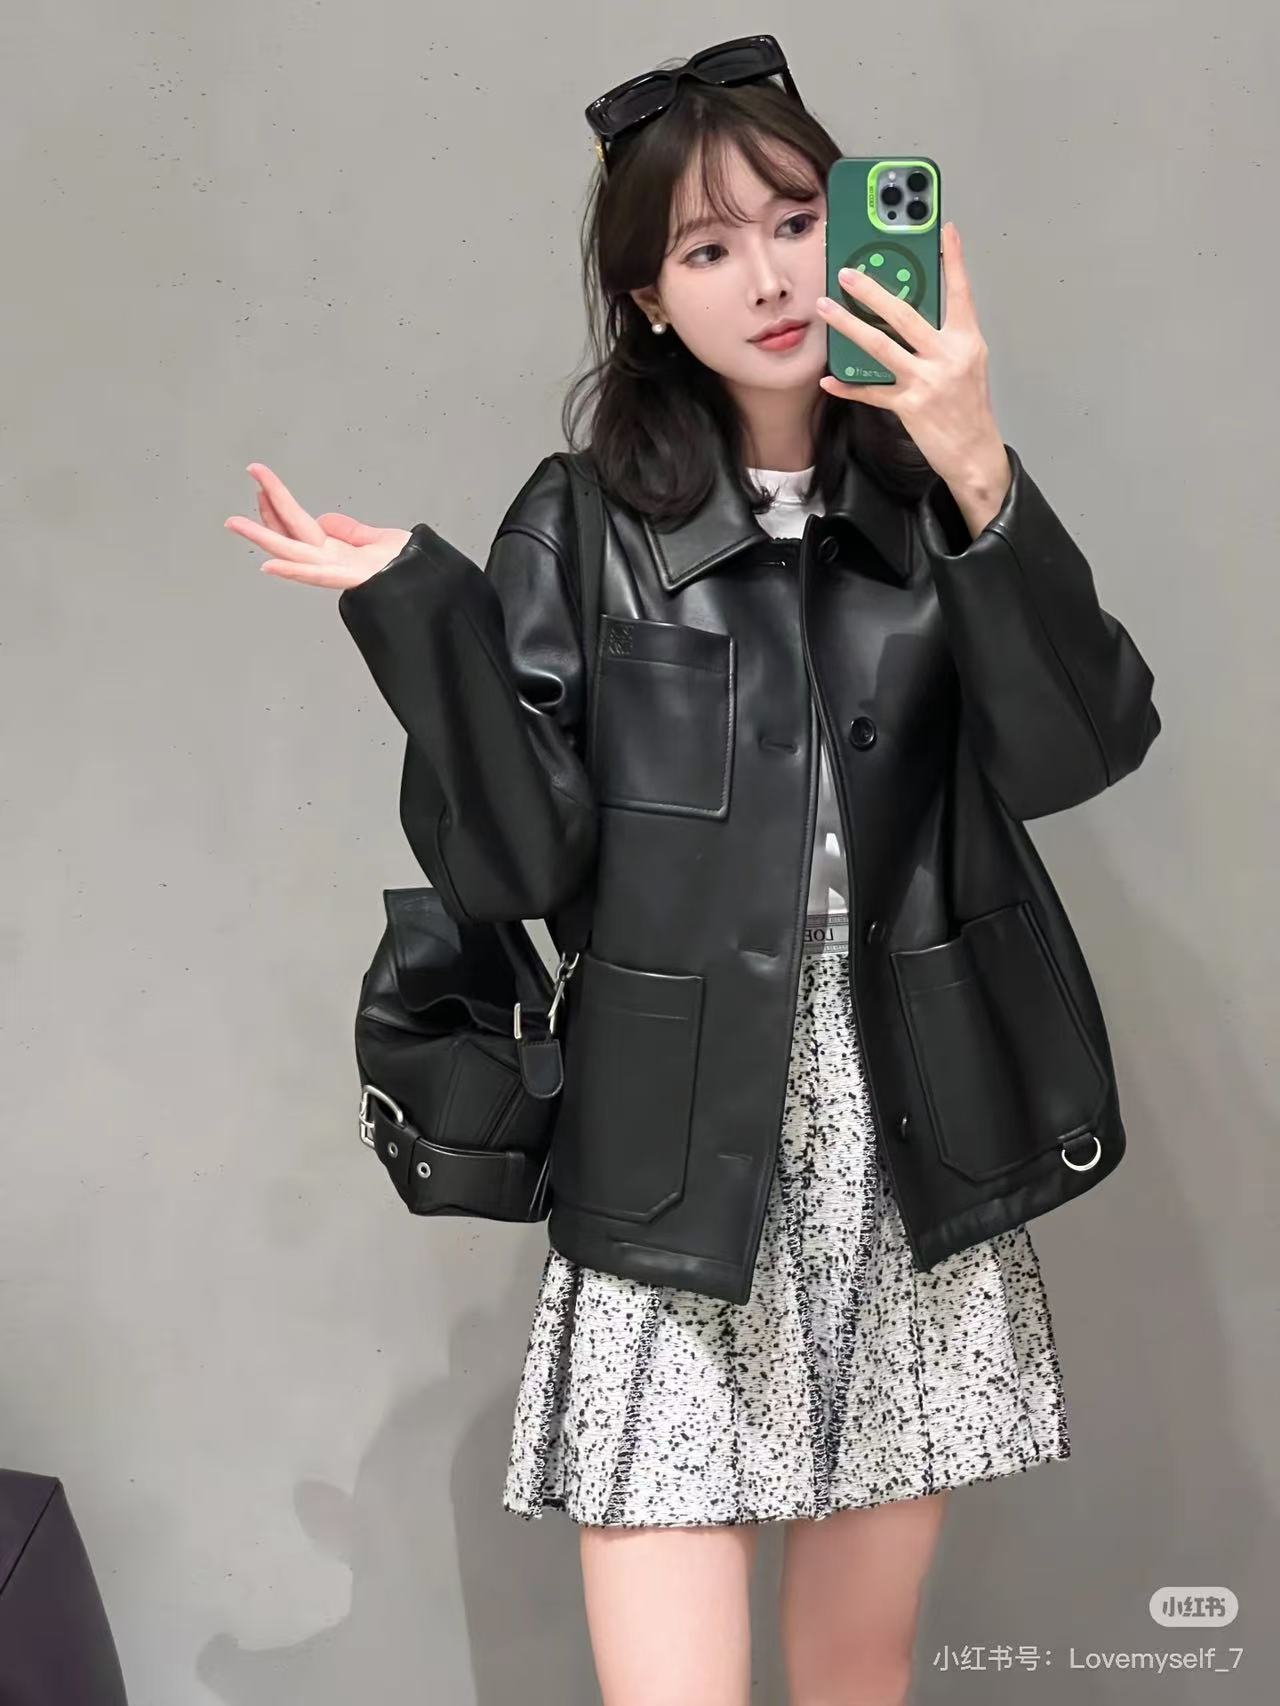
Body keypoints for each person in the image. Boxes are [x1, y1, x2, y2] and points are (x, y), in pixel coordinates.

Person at [223, 36, 1160, 1706]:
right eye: (708, 247)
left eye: (795, 221)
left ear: (850, 229)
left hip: (907, 1139)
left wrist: (974, 457)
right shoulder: (581, 521)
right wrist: (423, 614)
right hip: (672, 1155)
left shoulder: (934, 501)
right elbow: (518, 857)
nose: (769, 277)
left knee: (858, 1672)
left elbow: (1080, 749)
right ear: (649, 300)